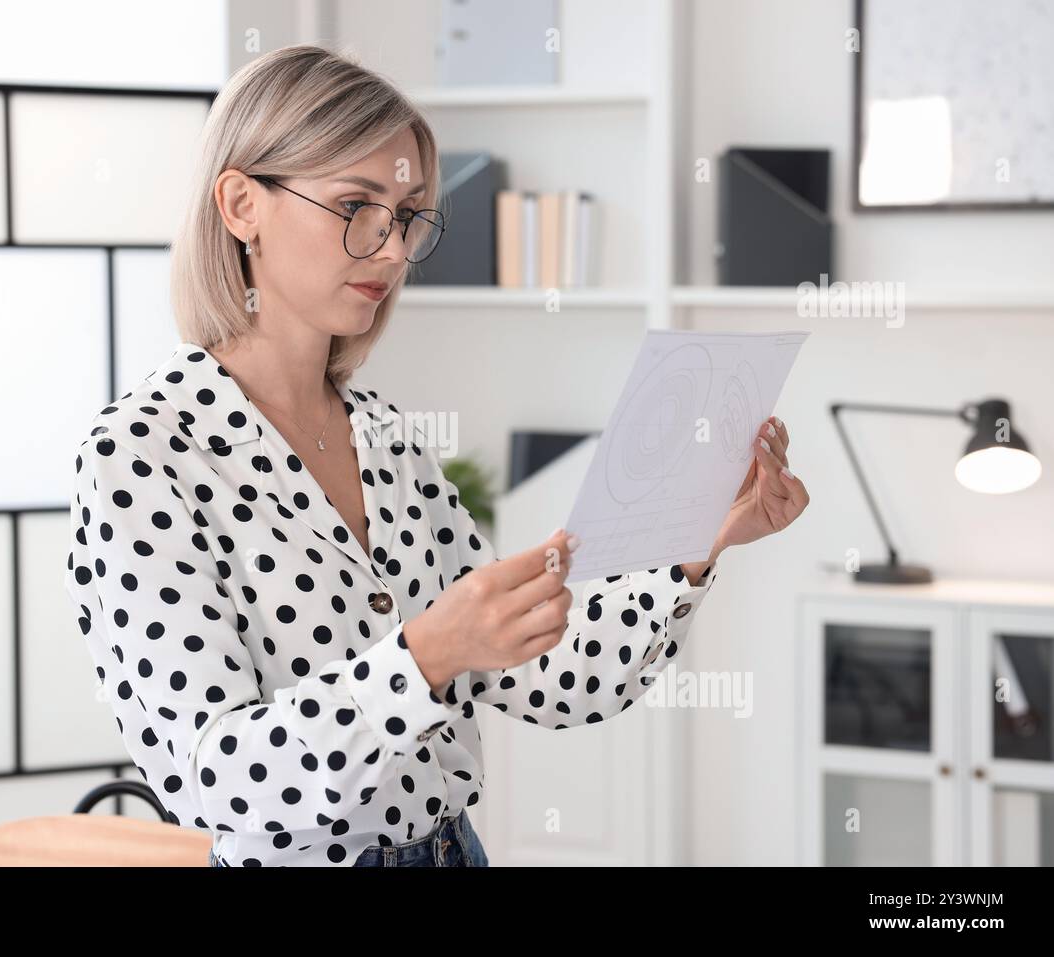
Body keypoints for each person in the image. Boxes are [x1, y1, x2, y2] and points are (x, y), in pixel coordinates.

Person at [62, 44, 810, 867]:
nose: (390, 248)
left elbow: (546, 675)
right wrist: (428, 654)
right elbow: (220, 781)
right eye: (357, 205)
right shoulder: (142, 455)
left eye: (409, 215)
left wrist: (700, 540)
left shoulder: (383, 435)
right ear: (242, 203)